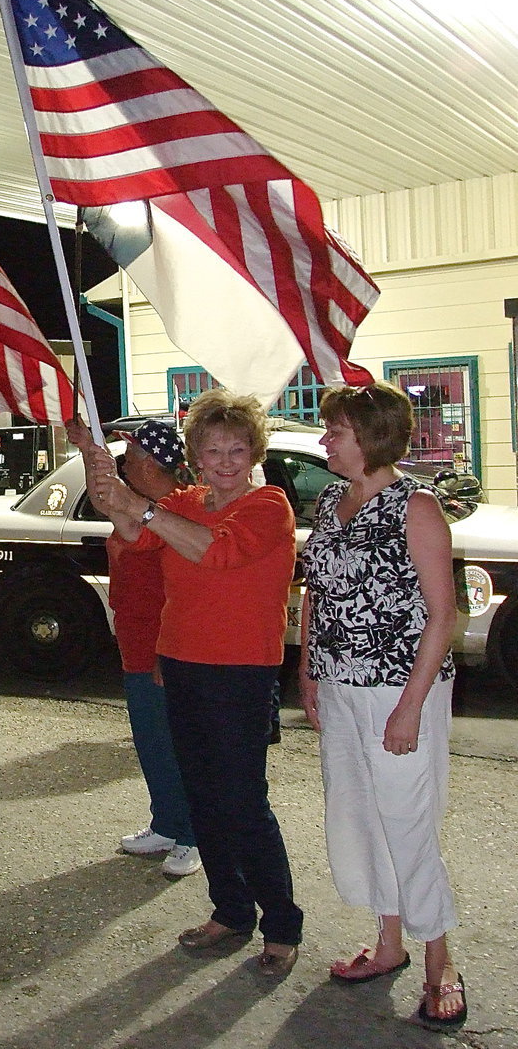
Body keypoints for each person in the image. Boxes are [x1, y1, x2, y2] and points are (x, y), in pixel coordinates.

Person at [91, 391, 303, 975]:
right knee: (203, 797)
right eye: (213, 451)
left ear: (255, 452)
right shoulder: (184, 502)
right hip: (181, 665)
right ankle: (230, 910)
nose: (226, 462)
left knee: (244, 802)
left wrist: (142, 508)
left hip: (242, 673)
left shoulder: (269, 506)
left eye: (237, 449)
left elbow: (215, 552)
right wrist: (109, 487)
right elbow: (134, 534)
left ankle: (282, 923)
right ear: (196, 457)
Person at [299, 381, 466, 1032]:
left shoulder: (415, 507)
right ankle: (388, 940)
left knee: (407, 821)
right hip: (339, 687)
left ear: (369, 437)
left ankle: (440, 963)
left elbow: (442, 615)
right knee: (360, 818)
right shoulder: (329, 501)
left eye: (334, 431)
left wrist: (409, 707)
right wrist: (308, 670)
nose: (324, 441)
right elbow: (315, 592)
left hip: (400, 689)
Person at [68, 418, 200, 878]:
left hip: (168, 647)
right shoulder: (137, 504)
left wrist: (170, 648)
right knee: (151, 741)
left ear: (150, 463)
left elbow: (187, 589)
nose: (124, 462)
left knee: (179, 745)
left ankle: (192, 835)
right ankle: (166, 823)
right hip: (136, 644)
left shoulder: (179, 509)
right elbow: (105, 498)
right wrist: (88, 448)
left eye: (132, 454)